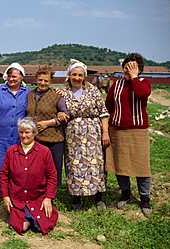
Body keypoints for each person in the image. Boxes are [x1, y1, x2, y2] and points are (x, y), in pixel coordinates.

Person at [105, 53, 152, 216]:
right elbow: (108, 105)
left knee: (142, 165)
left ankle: (145, 198)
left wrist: (134, 77)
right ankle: (126, 194)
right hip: (117, 130)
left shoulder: (143, 83)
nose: (128, 69)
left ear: (139, 69)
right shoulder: (116, 85)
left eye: (132, 67)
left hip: (137, 130)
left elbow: (141, 94)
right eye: (126, 66)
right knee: (120, 164)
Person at [61, 59, 110, 210]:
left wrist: (105, 133)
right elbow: (59, 109)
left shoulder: (93, 91)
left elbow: (103, 113)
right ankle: (76, 197)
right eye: (74, 74)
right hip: (73, 134)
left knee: (95, 164)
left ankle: (98, 196)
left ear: (84, 76)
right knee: (74, 164)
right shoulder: (63, 92)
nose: (77, 78)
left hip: (93, 133)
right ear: (69, 75)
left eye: (80, 75)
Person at [0, 62, 30, 207]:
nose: (11, 79)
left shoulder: (28, 93)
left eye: (14, 76)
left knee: (17, 167)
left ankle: (14, 193)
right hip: (0, 136)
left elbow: (43, 97)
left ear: (21, 77)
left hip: (18, 137)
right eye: (9, 76)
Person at [0, 117, 58, 234]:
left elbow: (52, 176)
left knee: (41, 227)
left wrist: (48, 198)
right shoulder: (11, 151)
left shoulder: (44, 151)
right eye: (21, 132)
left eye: (27, 132)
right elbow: (4, 174)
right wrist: (5, 197)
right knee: (22, 227)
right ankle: (22, 215)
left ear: (35, 133)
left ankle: (34, 216)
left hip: (37, 197)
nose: (24, 135)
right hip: (18, 198)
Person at [26, 67, 69, 186]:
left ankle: (51, 197)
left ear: (50, 82)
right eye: (40, 80)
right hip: (36, 140)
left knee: (53, 171)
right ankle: (38, 196)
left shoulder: (56, 95)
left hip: (53, 140)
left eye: (46, 81)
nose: (43, 83)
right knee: (36, 170)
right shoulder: (30, 94)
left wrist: (48, 123)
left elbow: (66, 116)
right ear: (36, 80)